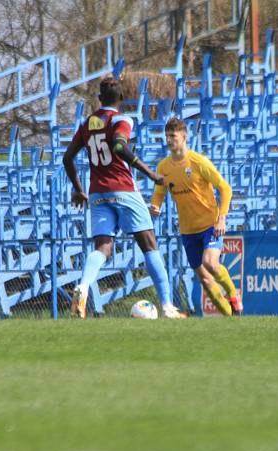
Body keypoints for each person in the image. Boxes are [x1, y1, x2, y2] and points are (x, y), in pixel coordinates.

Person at [63, 77, 187, 319]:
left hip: (97, 192)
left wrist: (78, 189)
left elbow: (67, 158)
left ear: (100, 99)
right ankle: (167, 306)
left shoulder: (88, 123)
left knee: (103, 247)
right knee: (149, 243)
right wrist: (150, 172)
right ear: (121, 100)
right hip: (122, 189)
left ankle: (84, 285)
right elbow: (120, 146)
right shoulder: (121, 119)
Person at [150, 117, 242, 316]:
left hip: (210, 225)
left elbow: (225, 188)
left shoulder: (198, 162)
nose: (168, 140)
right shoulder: (163, 167)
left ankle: (233, 294)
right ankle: (232, 316)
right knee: (205, 279)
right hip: (187, 230)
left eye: (172, 136)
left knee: (211, 263)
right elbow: (159, 193)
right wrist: (155, 206)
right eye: (166, 136)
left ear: (184, 136)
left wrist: (222, 218)